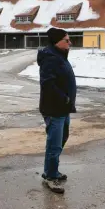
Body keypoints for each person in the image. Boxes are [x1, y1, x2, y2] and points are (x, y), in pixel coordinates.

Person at [37, 27, 77, 194]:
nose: (70, 43)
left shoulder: (59, 55)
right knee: (54, 143)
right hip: (54, 108)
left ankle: (50, 171)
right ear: (57, 42)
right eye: (66, 40)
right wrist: (64, 98)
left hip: (63, 108)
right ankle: (51, 177)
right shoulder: (51, 58)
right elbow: (47, 83)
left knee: (61, 138)